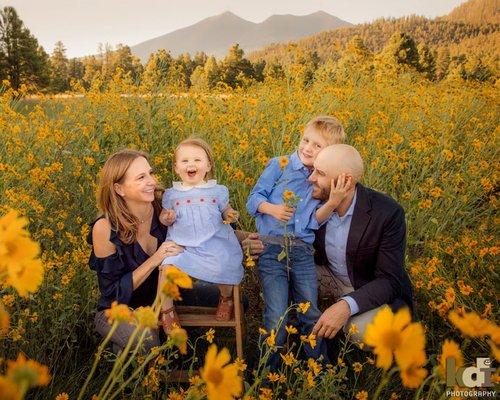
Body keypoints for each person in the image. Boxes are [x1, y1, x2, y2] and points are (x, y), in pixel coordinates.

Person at [88, 149, 252, 353]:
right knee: (147, 341)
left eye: (150, 173)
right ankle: (121, 352)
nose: (152, 182)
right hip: (119, 309)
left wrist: (246, 240)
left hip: (166, 296)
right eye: (141, 177)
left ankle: (178, 340)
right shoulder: (105, 228)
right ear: (119, 188)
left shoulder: (163, 208)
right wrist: (156, 259)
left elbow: (209, 232)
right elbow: (112, 294)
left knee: (240, 302)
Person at [246, 116, 347, 368]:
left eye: (317, 146)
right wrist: (272, 209)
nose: (308, 148)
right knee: (277, 314)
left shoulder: (322, 178)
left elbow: (314, 220)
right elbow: (252, 200)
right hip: (271, 247)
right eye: (306, 140)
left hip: (302, 251)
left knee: (309, 311)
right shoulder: (280, 164)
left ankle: (318, 371)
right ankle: (268, 374)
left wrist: (332, 202)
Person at [308, 144, 413, 344]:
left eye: (320, 173)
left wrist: (346, 306)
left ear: (345, 181)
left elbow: (390, 280)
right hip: (327, 275)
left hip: (364, 284)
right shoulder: (314, 202)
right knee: (278, 266)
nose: (311, 178)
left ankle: (341, 322)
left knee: (370, 333)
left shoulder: (387, 213)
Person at [158, 138, 243, 333]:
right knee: (168, 266)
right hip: (183, 245)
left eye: (197, 160)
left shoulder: (218, 191)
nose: (191, 165)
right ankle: (167, 310)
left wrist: (229, 214)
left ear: (208, 165)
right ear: (176, 167)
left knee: (225, 262)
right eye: (185, 161)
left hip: (213, 242)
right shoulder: (171, 194)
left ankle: (226, 298)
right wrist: (167, 218)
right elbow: (164, 216)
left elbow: (225, 210)